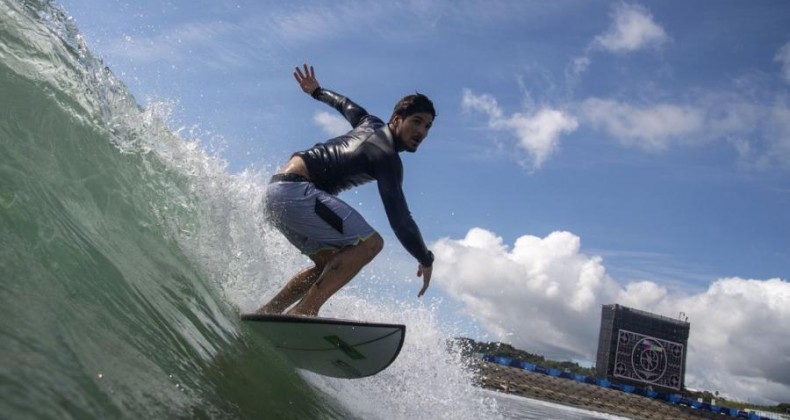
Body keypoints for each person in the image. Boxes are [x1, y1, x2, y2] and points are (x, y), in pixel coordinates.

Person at [257, 64, 436, 317]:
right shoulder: (387, 157)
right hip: (296, 192)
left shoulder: (368, 122)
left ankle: (269, 312)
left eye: (428, 126)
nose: (422, 132)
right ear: (397, 120)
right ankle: (305, 311)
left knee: (328, 264)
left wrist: (317, 91)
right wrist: (425, 258)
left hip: (278, 192)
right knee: (371, 244)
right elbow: (401, 221)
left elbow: (344, 104)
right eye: (416, 122)